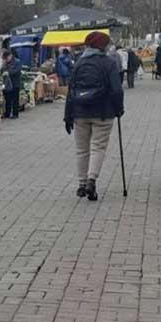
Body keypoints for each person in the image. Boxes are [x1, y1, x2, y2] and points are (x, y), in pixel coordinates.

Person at [63, 31, 124, 201]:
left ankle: (82, 184)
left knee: (81, 150)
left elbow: (70, 90)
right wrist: (119, 109)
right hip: (103, 113)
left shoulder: (79, 63)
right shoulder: (109, 63)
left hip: (80, 112)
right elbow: (117, 90)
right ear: (103, 46)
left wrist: (68, 115)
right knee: (98, 147)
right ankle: (91, 180)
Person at [1, 49, 23, 119]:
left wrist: (9, 72)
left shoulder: (17, 62)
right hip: (7, 83)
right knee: (7, 99)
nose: (6, 59)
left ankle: (15, 114)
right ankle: (7, 113)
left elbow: (17, 71)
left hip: (15, 83)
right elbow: (1, 70)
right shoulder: (5, 63)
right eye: (5, 58)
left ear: (10, 56)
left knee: (15, 99)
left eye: (7, 58)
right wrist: (3, 68)